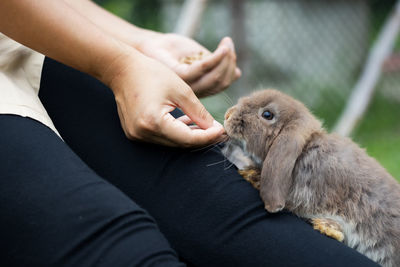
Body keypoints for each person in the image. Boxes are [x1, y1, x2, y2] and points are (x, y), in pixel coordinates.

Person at [0, 0, 378, 266]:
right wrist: (119, 65)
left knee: (245, 221)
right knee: (118, 244)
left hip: (31, 45)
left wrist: (140, 45)